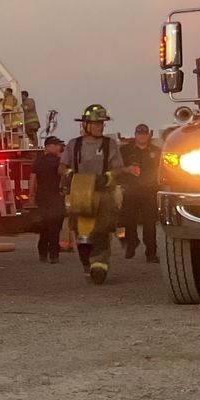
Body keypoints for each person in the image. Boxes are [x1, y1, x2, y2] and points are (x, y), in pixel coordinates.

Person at [60, 105, 124, 284]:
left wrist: (108, 177)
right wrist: (69, 174)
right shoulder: (74, 144)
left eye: (102, 124)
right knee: (81, 232)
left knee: (102, 229)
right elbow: (62, 167)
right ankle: (86, 263)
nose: (100, 127)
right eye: (96, 124)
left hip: (102, 193)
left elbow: (118, 168)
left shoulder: (109, 144)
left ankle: (100, 264)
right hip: (79, 193)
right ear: (86, 125)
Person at [119, 123, 161, 263]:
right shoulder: (124, 150)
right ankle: (131, 243)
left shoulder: (157, 151)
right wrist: (127, 170)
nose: (142, 136)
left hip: (150, 191)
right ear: (135, 135)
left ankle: (151, 253)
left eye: (144, 133)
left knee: (150, 224)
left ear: (149, 135)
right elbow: (116, 167)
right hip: (131, 190)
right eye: (139, 133)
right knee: (127, 221)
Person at [31, 135, 66, 263]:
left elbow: (32, 180)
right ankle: (53, 255)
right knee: (55, 227)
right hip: (55, 197)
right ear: (51, 146)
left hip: (42, 198)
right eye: (58, 145)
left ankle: (42, 253)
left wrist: (32, 196)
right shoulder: (58, 162)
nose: (59, 148)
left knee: (44, 226)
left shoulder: (38, 161)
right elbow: (63, 177)